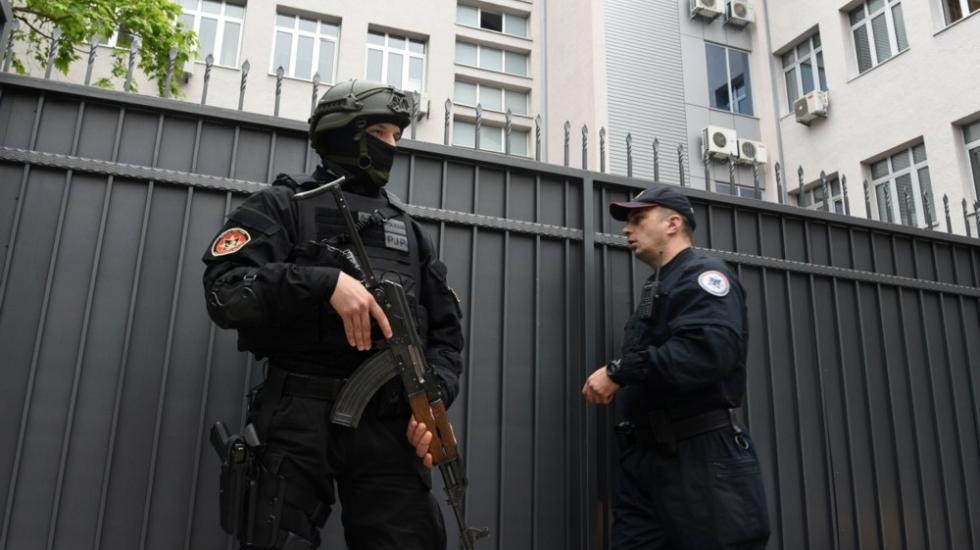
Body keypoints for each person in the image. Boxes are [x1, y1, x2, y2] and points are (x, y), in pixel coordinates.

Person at [202, 79, 463, 550]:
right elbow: (225, 292)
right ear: (343, 131)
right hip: (298, 413)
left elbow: (446, 335)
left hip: (388, 422)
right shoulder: (282, 206)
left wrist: (434, 398)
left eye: (396, 136)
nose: (391, 146)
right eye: (379, 133)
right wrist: (324, 285)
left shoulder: (409, 232)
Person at [581, 185, 770, 549]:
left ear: (672, 223)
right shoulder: (660, 284)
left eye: (638, 219)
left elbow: (706, 354)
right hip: (647, 459)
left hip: (699, 455)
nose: (627, 229)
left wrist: (618, 372)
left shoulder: (704, 276)